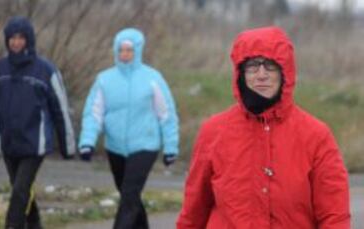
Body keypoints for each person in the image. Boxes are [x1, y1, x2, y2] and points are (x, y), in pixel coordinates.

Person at [177, 26, 350, 228]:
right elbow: (193, 210)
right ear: (240, 74)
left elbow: (334, 215)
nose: (261, 74)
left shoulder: (316, 135)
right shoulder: (214, 131)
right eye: (252, 66)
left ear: (285, 72)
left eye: (270, 65)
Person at [0, 16, 75, 229]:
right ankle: (35, 224)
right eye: (12, 38)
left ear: (29, 40)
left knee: (20, 190)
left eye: (21, 38)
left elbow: (60, 109)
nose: (16, 42)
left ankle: (12, 225)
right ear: (7, 40)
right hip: (9, 143)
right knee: (21, 190)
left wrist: (68, 146)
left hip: (35, 144)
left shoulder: (46, 71)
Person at [79, 28, 179, 229]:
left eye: (129, 50)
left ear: (138, 51)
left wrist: (171, 147)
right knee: (128, 193)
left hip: (145, 145)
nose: (125, 54)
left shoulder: (152, 78)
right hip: (115, 147)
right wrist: (87, 141)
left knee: (130, 194)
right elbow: (94, 113)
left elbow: (166, 114)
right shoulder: (104, 80)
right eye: (121, 50)